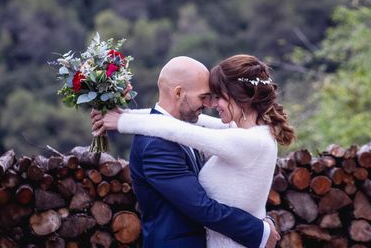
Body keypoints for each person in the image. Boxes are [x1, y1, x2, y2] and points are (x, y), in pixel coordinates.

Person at [91, 55, 284, 248]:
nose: (210, 104)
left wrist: (123, 119)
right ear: (179, 93)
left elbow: (179, 128)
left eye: (216, 97)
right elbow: (201, 207)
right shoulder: (155, 144)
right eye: (204, 96)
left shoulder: (236, 136)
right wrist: (260, 231)